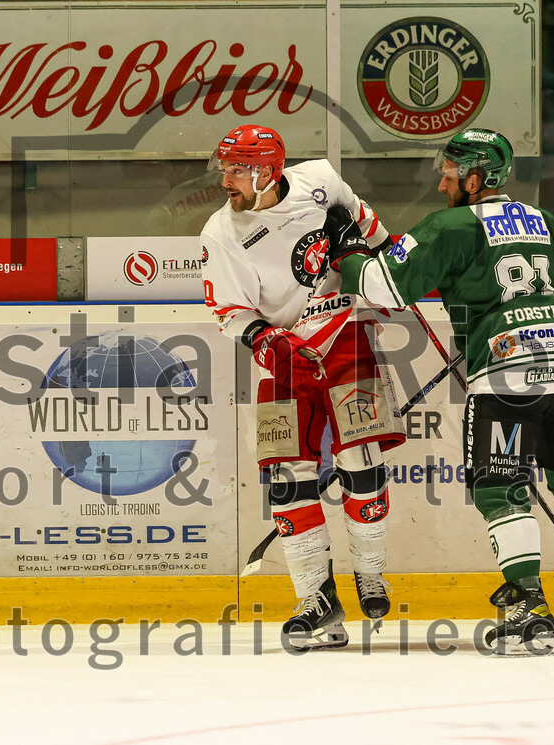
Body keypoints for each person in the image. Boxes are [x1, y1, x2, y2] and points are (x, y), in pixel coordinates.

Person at [327, 127, 554, 656]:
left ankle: (529, 610)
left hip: (505, 378)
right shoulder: (542, 220)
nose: (441, 187)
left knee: (502, 492)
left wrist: (349, 255)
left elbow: (385, 285)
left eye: (449, 176)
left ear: (475, 179)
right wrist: (535, 321)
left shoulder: (453, 225)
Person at [200, 124, 406, 650]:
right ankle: (316, 602)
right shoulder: (221, 233)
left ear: (268, 172)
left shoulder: (320, 179)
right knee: (287, 478)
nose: (226, 179)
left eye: (236, 169)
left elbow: (379, 240)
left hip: (346, 340)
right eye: (223, 168)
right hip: (284, 361)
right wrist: (265, 338)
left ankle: (370, 573)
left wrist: (368, 252)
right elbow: (228, 309)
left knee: (362, 460)